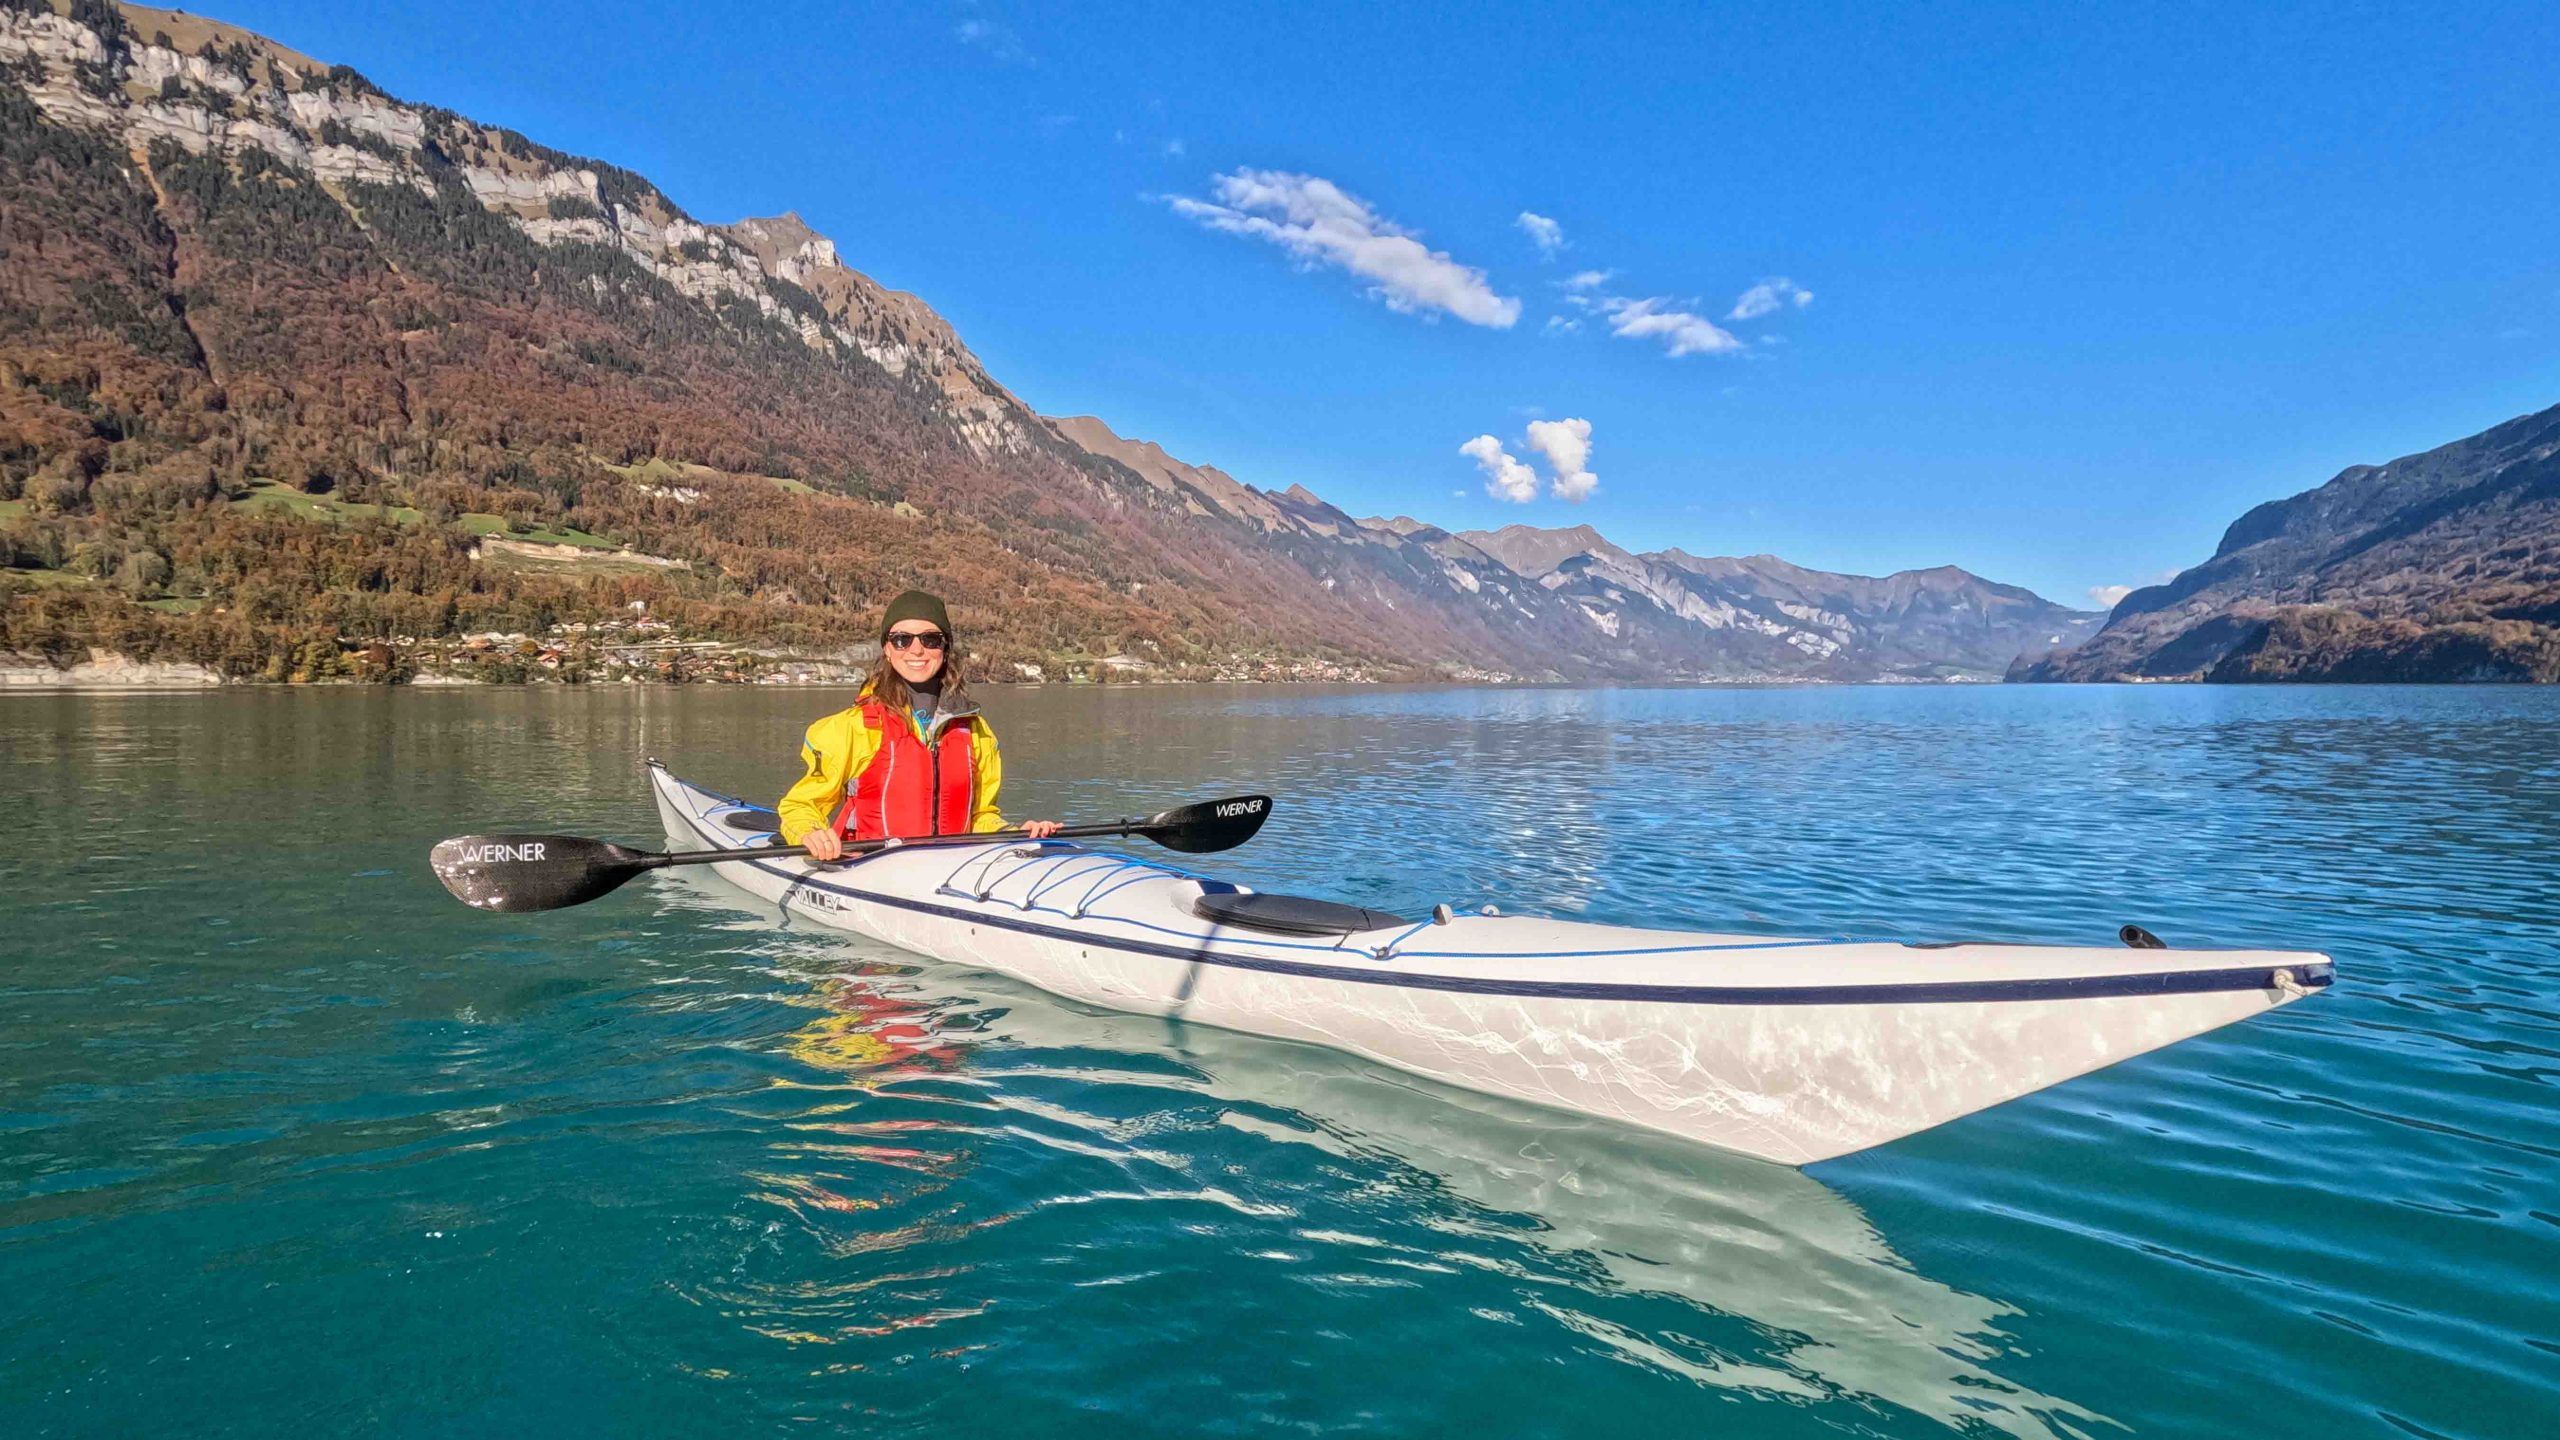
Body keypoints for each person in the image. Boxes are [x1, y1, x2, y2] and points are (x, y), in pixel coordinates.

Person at [778, 590, 1060, 861]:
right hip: (868, 866)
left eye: (930, 639)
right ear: (887, 649)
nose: (916, 650)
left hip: (950, 870)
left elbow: (980, 817)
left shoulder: (976, 731)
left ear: (945, 648)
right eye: (902, 639)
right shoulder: (851, 728)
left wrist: (1014, 832)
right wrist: (810, 832)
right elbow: (801, 806)